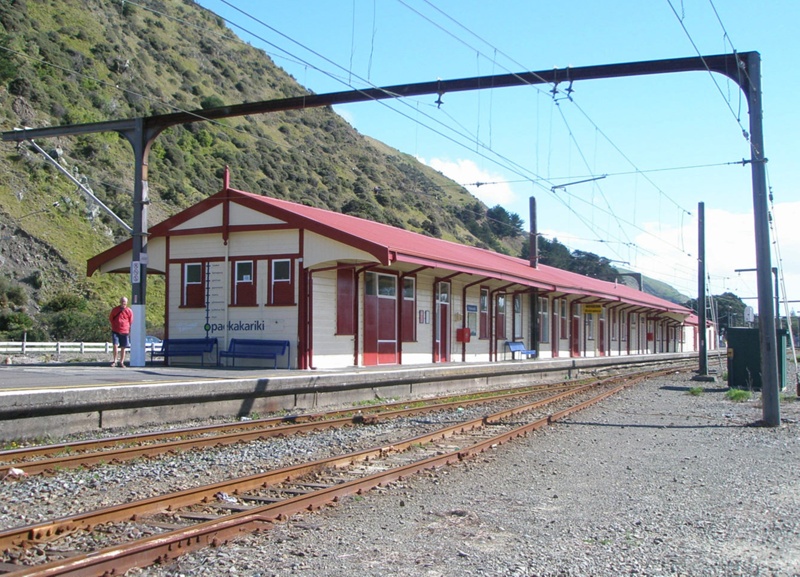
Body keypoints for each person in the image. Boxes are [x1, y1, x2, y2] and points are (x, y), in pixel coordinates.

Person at [109, 296, 133, 367]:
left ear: (127, 302)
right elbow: (111, 318)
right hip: (115, 330)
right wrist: (115, 325)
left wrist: (126, 327)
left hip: (125, 331)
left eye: (124, 301)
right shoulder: (115, 310)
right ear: (120, 302)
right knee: (115, 345)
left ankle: (122, 362)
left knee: (123, 347)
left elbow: (131, 320)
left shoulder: (129, 311)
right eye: (122, 301)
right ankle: (115, 361)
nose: (123, 303)